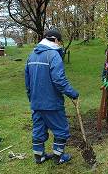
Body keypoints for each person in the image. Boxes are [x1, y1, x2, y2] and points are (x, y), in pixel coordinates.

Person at [25, 29, 79, 165]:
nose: (60, 44)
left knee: (39, 129)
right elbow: (59, 80)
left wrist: (31, 98)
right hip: (51, 103)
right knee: (61, 130)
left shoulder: (31, 55)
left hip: (36, 102)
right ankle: (58, 157)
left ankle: (39, 157)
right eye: (59, 41)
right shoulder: (53, 55)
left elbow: (27, 82)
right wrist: (72, 93)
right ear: (55, 40)